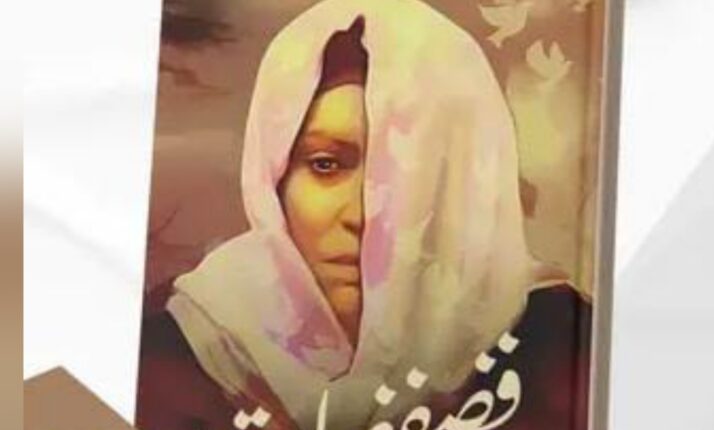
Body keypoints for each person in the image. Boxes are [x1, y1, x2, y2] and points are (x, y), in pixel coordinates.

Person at [136, 0, 592, 429]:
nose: (363, 214)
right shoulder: (182, 350)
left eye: (406, 173)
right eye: (325, 165)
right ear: (272, 178)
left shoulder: (561, 346)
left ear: (465, 180)